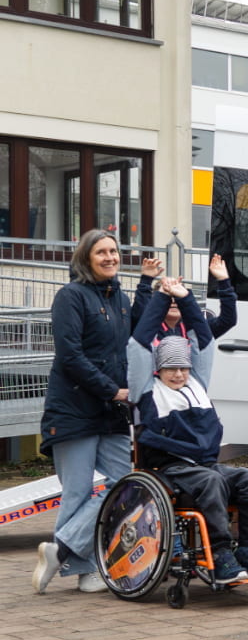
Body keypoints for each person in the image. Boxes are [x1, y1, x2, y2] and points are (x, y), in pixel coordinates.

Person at [127, 282, 248, 583]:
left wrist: (186, 298)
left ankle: (246, 549)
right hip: (170, 468)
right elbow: (138, 344)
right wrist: (163, 297)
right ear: (158, 370)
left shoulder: (197, 384)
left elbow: (203, 340)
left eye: (183, 368)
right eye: (171, 369)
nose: (178, 374)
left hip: (204, 465)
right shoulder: (148, 389)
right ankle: (220, 553)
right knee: (212, 481)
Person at [33, 229, 133, 595]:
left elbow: (130, 348)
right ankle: (88, 568)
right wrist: (114, 390)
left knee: (127, 483)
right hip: (74, 409)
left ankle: (60, 549)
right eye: (101, 252)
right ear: (86, 258)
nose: (110, 257)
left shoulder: (121, 298)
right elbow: (70, 356)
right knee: (76, 493)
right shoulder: (70, 296)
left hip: (111, 413)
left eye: (113, 251)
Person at [133, 253, 238, 340]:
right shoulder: (147, 327)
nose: (173, 301)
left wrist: (223, 281)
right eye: (168, 296)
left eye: (177, 296)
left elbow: (227, 321)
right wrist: (145, 281)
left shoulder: (196, 328)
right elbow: (138, 315)